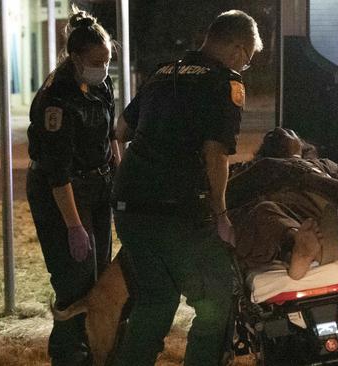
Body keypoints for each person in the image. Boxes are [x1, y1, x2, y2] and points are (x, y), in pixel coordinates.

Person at [111, 10, 262, 365]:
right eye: (249, 60)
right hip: (176, 212)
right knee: (217, 302)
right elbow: (215, 153)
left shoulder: (165, 72)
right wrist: (222, 215)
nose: (245, 66)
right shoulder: (224, 82)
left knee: (156, 299)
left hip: (128, 205)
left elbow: (121, 129)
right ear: (239, 49)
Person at [26, 7, 118, 366]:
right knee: (73, 280)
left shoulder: (100, 83)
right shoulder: (57, 98)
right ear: (76, 57)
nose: (105, 68)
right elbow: (57, 172)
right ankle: (67, 354)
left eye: (108, 60)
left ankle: (96, 347)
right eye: (97, 61)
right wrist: (74, 225)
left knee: (100, 275)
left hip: (96, 186)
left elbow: (109, 136)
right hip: (60, 193)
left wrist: (116, 172)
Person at [227, 127, 338, 279]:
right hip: (266, 230)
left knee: (311, 220)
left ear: (303, 145)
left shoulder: (328, 167)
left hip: (313, 223)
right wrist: (267, 167)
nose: (278, 129)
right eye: (272, 134)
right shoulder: (251, 168)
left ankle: (305, 248)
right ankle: (304, 249)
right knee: (265, 211)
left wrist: (300, 170)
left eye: (290, 131)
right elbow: (223, 199)